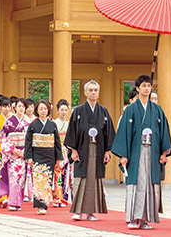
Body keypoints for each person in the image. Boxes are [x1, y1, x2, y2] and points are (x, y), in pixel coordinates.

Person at [111, 74, 171, 230]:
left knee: (149, 185)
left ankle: (145, 219)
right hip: (135, 151)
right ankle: (133, 218)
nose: (147, 88)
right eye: (143, 86)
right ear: (137, 88)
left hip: (153, 151)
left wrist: (163, 152)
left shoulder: (157, 110)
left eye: (148, 85)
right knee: (135, 184)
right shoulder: (130, 110)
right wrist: (124, 155)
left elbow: (164, 132)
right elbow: (124, 132)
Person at [65, 81, 116, 221]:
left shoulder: (104, 112)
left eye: (95, 90)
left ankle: (90, 212)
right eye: (90, 90)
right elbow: (72, 132)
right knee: (81, 179)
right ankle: (78, 211)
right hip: (82, 149)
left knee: (94, 180)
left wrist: (107, 151)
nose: (93, 92)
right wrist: (73, 150)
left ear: (98, 93)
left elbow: (109, 133)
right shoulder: (78, 111)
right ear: (85, 93)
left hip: (98, 150)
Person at [25, 99, 63, 215]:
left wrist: (58, 157)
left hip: (50, 155)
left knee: (47, 181)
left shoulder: (52, 125)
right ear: (37, 110)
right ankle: (40, 206)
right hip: (37, 155)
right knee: (38, 181)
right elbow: (28, 142)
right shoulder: (32, 125)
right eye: (40, 109)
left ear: (48, 110)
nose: (43, 111)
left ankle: (45, 204)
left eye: (45, 109)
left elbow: (57, 142)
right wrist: (29, 157)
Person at [0, 98, 31, 211]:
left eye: (23, 107)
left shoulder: (27, 123)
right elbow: (3, 137)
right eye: (19, 106)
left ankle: (18, 203)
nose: (21, 108)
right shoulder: (9, 122)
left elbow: (30, 139)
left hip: (22, 154)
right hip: (12, 155)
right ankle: (12, 202)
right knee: (13, 179)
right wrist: (12, 149)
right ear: (14, 107)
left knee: (21, 180)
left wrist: (25, 150)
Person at [53, 98, 72, 208]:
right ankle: (57, 198)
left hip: (67, 151)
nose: (64, 112)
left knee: (66, 175)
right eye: (62, 109)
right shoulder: (54, 123)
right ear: (58, 110)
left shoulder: (69, 124)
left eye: (66, 109)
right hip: (58, 150)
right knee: (58, 175)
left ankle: (64, 197)